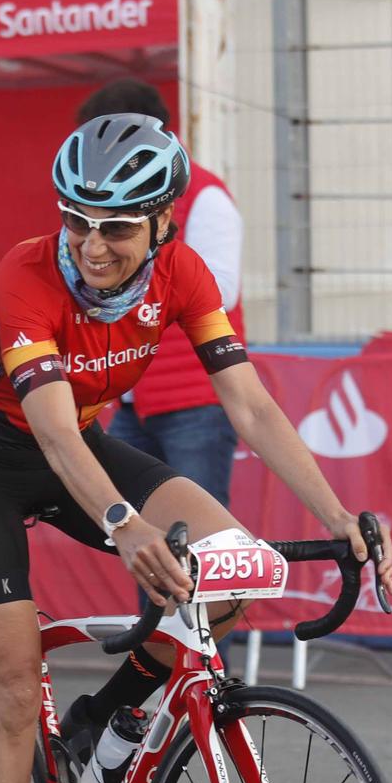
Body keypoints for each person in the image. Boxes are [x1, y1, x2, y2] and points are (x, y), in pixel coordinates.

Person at [0, 114, 392, 783]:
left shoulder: (182, 273)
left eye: (118, 226)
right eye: (78, 220)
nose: (93, 245)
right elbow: (52, 430)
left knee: (235, 566)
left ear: (163, 223)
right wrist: (124, 523)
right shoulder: (26, 274)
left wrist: (339, 517)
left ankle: (103, 713)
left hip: (77, 446)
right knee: (13, 693)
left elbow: (248, 405)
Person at [76, 80, 246, 510]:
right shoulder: (111, 205)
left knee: (202, 539)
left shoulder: (204, 194)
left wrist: (132, 273)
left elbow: (222, 291)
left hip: (195, 399)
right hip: (134, 396)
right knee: (145, 538)